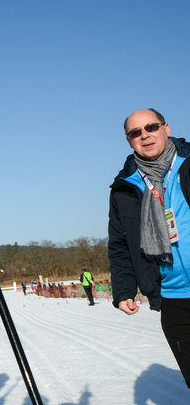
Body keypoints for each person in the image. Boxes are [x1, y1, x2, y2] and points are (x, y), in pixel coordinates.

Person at [108, 108, 190, 387]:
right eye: (135, 132)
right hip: (174, 299)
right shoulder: (123, 188)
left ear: (166, 128)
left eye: (151, 127)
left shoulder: (188, 164)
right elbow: (119, 245)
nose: (145, 135)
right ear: (129, 141)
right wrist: (123, 291)